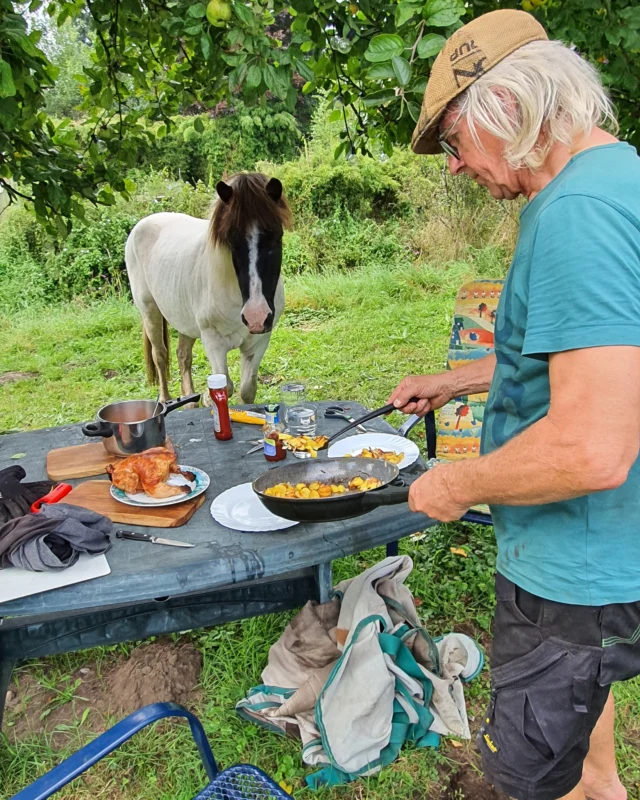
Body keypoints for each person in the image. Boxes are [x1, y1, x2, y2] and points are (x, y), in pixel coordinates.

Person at [389, 9, 640, 800]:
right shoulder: (619, 176)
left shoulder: (576, 215)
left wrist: (454, 484)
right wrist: (460, 381)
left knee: (529, 778)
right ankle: (600, 785)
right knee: (587, 734)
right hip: (613, 556)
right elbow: (599, 357)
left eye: (454, 140)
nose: (455, 166)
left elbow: (592, 447)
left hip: (572, 573)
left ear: (506, 107)